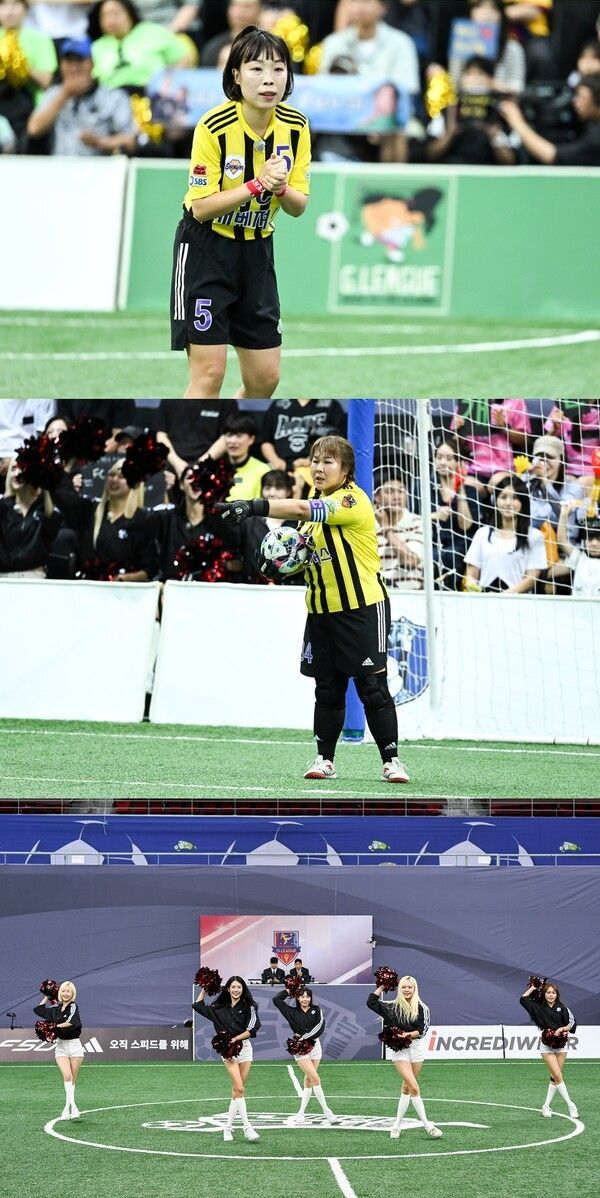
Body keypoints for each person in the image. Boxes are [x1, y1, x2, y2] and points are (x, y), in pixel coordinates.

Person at [216, 434, 411, 785]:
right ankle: (325, 760)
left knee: (372, 687)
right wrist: (279, 564)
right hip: (321, 611)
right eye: (315, 461)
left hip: (362, 608)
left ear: (346, 469)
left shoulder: (351, 500)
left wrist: (254, 506)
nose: (318, 468)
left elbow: (302, 510)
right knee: (327, 688)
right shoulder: (313, 508)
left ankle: (391, 761)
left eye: (327, 462)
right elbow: (307, 557)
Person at [170, 25, 311, 400]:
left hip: (257, 253)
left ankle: (230, 422)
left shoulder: (296, 126)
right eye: (257, 69)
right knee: (209, 374)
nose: (269, 79)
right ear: (236, 75)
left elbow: (298, 207)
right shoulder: (213, 127)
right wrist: (257, 184)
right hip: (206, 251)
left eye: (278, 69)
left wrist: (280, 189)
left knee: (265, 380)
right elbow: (201, 207)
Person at [27, 38, 137, 156]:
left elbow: (130, 142)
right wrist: (65, 94)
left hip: (101, 165)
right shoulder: (53, 94)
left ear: (92, 63)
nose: (74, 67)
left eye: (79, 60)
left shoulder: (113, 97)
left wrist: (100, 142)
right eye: (69, 61)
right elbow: (34, 129)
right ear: (61, 65)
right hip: (61, 165)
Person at [52, 459, 158, 580]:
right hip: (87, 586)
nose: (114, 479)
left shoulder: (141, 520)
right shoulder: (89, 511)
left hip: (122, 590)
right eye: (111, 475)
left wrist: (124, 579)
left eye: (121, 477)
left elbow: (150, 569)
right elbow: (60, 494)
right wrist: (70, 462)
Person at [367, 974, 442, 1139]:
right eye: (403, 987)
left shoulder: (422, 1007)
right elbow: (371, 1002)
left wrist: (406, 1035)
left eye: (410, 987)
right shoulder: (392, 1006)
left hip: (416, 1049)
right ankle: (428, 1126)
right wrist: (382, 987)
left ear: (415, 989)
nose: (407, 990)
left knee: (406, 1088)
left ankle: (396, 1126)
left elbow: (422, 1030)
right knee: (414, 1087)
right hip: (400, 1051)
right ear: (399, 989)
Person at [192, 975, 261, 1141]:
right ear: (228, 989)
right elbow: (198, 1005)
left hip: (244, 1048)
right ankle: (247, 1127)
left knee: (237, 1090)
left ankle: (227, 1128)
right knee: (240, 1088)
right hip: (227, 1050)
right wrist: (205, 989)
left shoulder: (249, 1006)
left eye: (239, 987)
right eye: (233, 987)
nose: (236, 990)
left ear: (243, 989)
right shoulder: (219, 1007)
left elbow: (252, 1029)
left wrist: (236, 1038)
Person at [426, 56, 517, 165]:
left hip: (487, 167)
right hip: (454, 165)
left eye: (479, 74)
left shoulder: (500, 112)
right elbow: (430, 154)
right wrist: (450, 133)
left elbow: (510, 161)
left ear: (490, 80)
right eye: (469, 73)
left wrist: (494, 135)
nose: (474, 80)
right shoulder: (448, 110)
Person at [464, 473, 547, 593]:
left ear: (523, 502)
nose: (508, 503)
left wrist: (505, 595)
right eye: (503, 497)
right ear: (496, 501)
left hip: (518, 600)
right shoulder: (482, 533)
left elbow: (531, 579)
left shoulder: (534, 536)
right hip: (485, 599)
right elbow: (471, 575)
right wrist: (476, 590)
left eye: (514, 498)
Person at [88, 0, 194, 91]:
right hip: (113, 100)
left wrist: (169, 83)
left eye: (116, 13)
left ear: (129, 13)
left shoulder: (152, 31)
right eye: (105, 16)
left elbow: (185, 58)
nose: (111, 20)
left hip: (152, 95)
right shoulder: (97, 47)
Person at [499, 75, 600, 165]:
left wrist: (517, 121)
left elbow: (553, 156)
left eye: (581, 96)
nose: (575, 101)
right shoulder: (589, 126)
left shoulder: (596, 138)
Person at [273, 984, 335, 1123]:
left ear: (311, 998)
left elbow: (320, 1027)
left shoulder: (316, 1010)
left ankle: (301, 1113)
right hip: (300, 1047)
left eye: (307, 996)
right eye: (302, 996)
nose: (305, 999)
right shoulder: (291, 1012)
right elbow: (276, 1000)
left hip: (315, 1046)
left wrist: (305, 1037)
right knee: (316, 1079)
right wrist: (289, 989)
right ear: (297, 998)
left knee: (308, 1080)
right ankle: (327, 1111)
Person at [0, 0, 57, 148]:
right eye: (3, 5)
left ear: (26, 10)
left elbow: (46, 81)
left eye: (15, 5)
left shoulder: (40, 39)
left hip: (29, 106)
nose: (9, 11)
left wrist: (19, 64)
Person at [519, 977, 578, 1119]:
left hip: (561, 1045)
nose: (551, 995)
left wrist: (561, 1029)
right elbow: (523, 999)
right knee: (558, 1076)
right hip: (546, 1046)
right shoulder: (538, 1007)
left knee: (554, 1078)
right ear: (544, 994)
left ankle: (546, 1106)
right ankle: (571, 1105)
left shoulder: (562, 1008)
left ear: (557, 995)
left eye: (553, 993)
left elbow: (572, 1024)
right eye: (548, 992)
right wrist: (534, 987)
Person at [0, 457, 62, 576]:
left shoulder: (43, 508)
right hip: (5, 577)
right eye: (13, 469)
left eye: (22, 469)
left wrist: (45, 486)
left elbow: (53, 527)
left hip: (34, 577)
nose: (17, 474)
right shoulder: (3, 506)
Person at [33, 981, 84, 1120]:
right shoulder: (55, 1009)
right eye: (63, 991)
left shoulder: (73, 1006)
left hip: (74, 1046)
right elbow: (38, 1009)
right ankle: (72, 1107)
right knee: (67, 1076)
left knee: (72, 1079)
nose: (66, 994)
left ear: (72, 993)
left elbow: (73, 1022)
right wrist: (48, 995)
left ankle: (67, 1109)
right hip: (61, 1046)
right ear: (60, 992)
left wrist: (54, 1027)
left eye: (68, 991)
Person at [260, 399, 347, 472]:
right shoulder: (278, 404)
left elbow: (338, 443)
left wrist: (311, 461)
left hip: (315, 467)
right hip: (280, 467)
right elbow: (266, 441)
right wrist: (275, 461)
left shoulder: (330, 405)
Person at [374, 476, 423, 590]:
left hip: (410, 594)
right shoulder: (368, 525)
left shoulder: (417, 522)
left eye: (401, 491)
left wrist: (386, 529)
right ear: (376, 497)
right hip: (376, 594)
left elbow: (410, 561)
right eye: (389, 491)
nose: (397, 497)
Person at [549, 509, 600, 597]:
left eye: (599, 539)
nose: (594, 543)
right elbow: (561, 540)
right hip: (578, 604)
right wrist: (564, 514)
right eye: (590, 539)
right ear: (584, 540)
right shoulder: (579, 558)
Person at [223, 413, 270, 500]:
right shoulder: (214, 470)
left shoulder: (263, 470)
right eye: (229, 435)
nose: (233, 441)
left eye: (239, 436)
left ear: (251, 439)